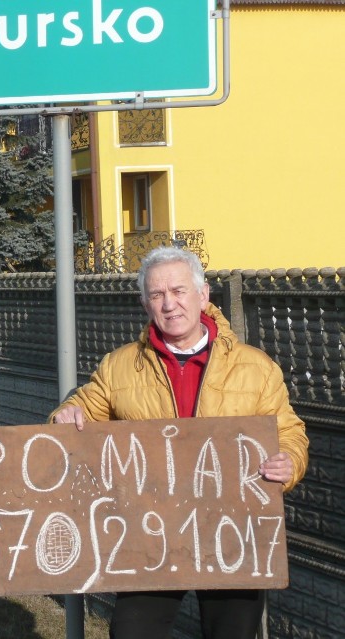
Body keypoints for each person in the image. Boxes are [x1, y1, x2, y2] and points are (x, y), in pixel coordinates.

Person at [49, 246, 309, 639]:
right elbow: (84, 407)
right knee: (131, 632)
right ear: (144, 303)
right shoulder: (119, 366)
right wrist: (66, 414)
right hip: (150, 532)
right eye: (157, 295)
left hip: (232, 532)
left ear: (203, 295)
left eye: (179, 290)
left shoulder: (256, 368)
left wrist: (288, 461)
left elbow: (289, 431)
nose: (169, 304)